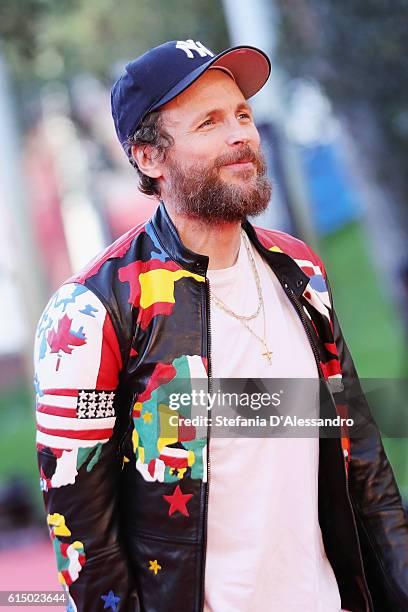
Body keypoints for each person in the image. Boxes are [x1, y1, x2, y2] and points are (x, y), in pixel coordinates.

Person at [34, 39, 408, 612]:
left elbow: (363, 463)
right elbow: (84, 537)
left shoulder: (300, 270)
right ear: (149, 157)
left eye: (242, 115)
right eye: (209, 121)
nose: (241, 134)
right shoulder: (91, 311)